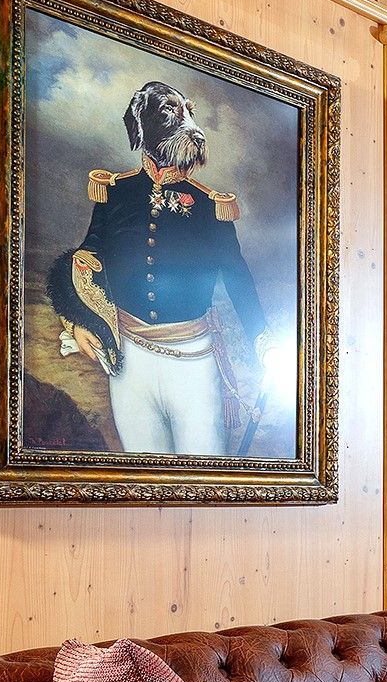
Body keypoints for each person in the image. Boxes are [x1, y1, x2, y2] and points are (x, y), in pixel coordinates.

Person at [49, 78, 284, 456]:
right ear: (140, 124)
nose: (192, 128)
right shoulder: (114, 193)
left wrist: (263, 340)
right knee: (142, 476)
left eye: (188, 113)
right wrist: (77, 322)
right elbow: (86, 260)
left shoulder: (210, 206)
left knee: (205, 474)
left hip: (194, 363)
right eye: (171, 113)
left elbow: (237, 277)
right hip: (129, 364)